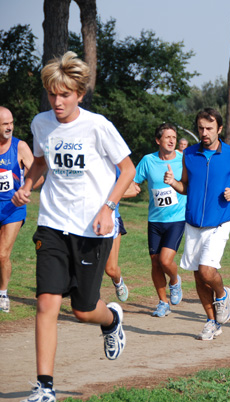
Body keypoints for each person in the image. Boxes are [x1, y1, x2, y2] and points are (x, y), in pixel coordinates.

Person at [12, 52, 134, 402]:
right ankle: (44, 387)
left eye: (65, 94)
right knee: (47, 303)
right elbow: (39, 162)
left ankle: (110, 320)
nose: (57, 101)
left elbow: (126, 170)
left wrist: (108, 208)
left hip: (92, 229)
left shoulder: (97, 126)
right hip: (52, 224)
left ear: (79, 93)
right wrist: (26, 186)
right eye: (53, 94)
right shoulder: (41, 123)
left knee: (82, 310)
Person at [164, 107, 230, 340]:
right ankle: (212, 322)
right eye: (201, 128)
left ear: (219, 129)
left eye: (209, 128)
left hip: (219, 221)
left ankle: (222, 295)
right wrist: (173, 183)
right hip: (192, 223)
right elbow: (185, 187)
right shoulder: (189, 154)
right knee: (197, 276)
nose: (204, 132)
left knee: (207, 270)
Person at [134, 123, 187, 317]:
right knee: (155, 262)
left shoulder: (184, 159)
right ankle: (162, 302)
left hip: (177, 218)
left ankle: (174, 280)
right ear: (158, 140)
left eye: (174, 137)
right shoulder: (148, 161)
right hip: (155, 220)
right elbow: (134, 182)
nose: (172, 140)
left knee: (165, 260)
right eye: (167, 137)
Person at [0, 106, 41, 313]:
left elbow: (40, 174)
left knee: (2, 254)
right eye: (5, 124)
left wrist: (26, 190)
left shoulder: (20, 147)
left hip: (13, 208)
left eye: (11, 123)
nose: (9, 127)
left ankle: (3, 293)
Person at [104, 169, 140, 302]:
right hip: (85, 220)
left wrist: (106, 196)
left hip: (111, 219)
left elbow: (133, 190)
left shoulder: (116, 164)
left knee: (111, 269)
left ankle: (118, 282)